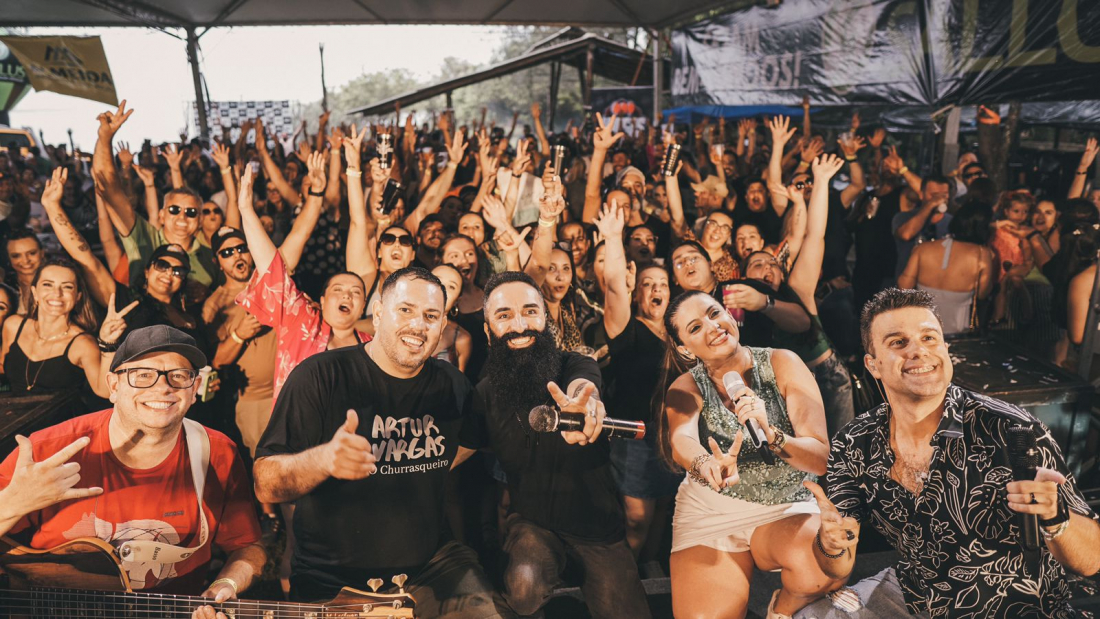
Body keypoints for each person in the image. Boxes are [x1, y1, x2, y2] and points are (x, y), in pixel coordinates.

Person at [797, 288, 1100, 618]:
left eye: (929, 338)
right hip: (915, 594)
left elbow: (1092, 560)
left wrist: (1056, 518)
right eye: (898, 342)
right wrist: (830, 544)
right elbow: (837, 566)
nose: (918, 351)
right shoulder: (854, 443)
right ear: (874, 365)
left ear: (945, 349)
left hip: (1016, 606)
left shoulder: (1009, 429)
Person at [252, 268, 505, 618]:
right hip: (334, 576)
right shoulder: (320, 376)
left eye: (431, 316)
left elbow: (472, 440)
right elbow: (264, 484)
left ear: (443, 324)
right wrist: (322, 461)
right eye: (405, 310)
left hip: (432, 564)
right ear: (379, 313)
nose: (418, 325)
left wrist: (416, 467)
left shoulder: (451, 383)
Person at [0, 325, 264, 616]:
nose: (163, 388)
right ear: (113, 386)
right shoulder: (48, 451)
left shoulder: (217, 453)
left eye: (179, 376)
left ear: (194, 389)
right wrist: (12, 504)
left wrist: (226, 584)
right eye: (143, 375)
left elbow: (247, 547)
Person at [458, 271, 652, 618]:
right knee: (524, 587)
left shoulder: (576, 364)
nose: (520, 326)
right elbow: (461, 449)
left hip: (598, 529)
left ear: (546, 319)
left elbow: (584, 390)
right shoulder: (484, 394)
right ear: (488, 331)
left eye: (530, 311)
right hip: (532, 525)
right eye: (504, 315)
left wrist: (585, 408)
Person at [660, 290, 840, 618]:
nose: (713, 326)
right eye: (695, 327)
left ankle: (781, 611)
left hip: (787, 507)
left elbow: (820, 458)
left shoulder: (782, 363)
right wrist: (705, 464)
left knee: (827, 564)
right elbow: (682, 440)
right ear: (685, 348)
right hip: (712, 511)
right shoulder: (685, 386)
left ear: (730, 316)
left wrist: (773, 436)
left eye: (714, 314)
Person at [595, 203, 683, 563]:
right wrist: (614, 237)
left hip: (674, 434)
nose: (655, 290)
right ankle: (624, 577)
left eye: (662, 284)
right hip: (637, 436)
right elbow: (615, 287)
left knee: (663, 507)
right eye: (647, 285)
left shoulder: (681, 334)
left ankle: (648, 569)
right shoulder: (626, 329)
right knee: (636, 519)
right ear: (638, 294)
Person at [0, 257, 124, 398]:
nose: (57, 293)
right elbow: (2, 366)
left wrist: (109, 343)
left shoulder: (83, 344)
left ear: (77, 297)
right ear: (35, 292)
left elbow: (105, 391)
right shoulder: (13, 325)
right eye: (48, 285)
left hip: (64, 412)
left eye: (67, 287)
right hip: (14, 411)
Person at [897, 201, 995, 335]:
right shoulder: (982, 254)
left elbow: (904, 286)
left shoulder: (923, 249)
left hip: (923, 326)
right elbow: (982, 293)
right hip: (958, 328)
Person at [430, 263, 472, 371]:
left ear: (457, 300)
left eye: (451, 287)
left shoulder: (461, 339)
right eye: (436, 281)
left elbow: (458, 380)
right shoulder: (399, 321)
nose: (442, 289)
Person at [4, 228, 42, 315]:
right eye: (16, 256)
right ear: (9, 259)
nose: (25, 260)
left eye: (32, 253)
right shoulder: (5, 286)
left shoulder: (56, 282)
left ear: (42, 253)